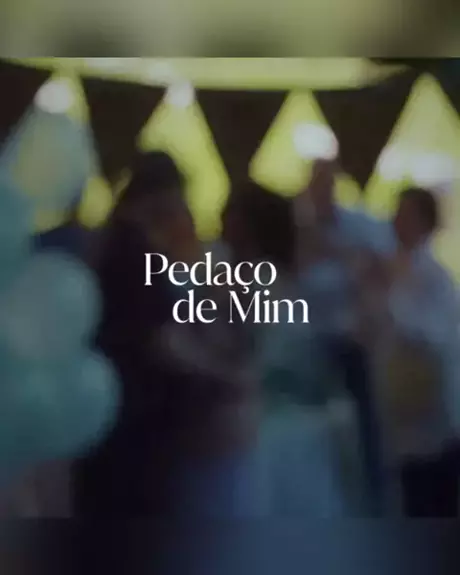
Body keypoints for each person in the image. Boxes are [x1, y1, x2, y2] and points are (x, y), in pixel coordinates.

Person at [377, 187, 460, 517]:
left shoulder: (435, 277)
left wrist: (395, 299)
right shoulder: (391, 268)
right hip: (402, 415)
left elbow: (435, 337)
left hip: (434, 412)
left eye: (407, 215)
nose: (397, 222)